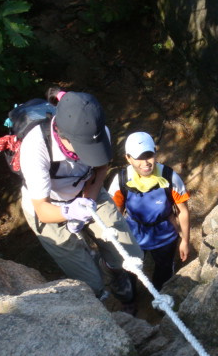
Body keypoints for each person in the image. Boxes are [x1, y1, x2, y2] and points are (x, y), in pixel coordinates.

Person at [19, 87, 143, 308]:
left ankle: (114, 271)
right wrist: (69, 212)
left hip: (86, 188)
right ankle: (99, 298)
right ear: (60, 134)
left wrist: (88, 201)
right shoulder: (35, 147)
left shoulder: (97, 130)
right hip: (48, 205)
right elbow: (42, 209)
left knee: (131, 258)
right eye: (82, 149)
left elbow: (100, 168)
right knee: (90, 284)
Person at [108, 131, 190, 294]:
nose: (145, 162)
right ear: (128, 158)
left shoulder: (169, 177)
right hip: (133, 235)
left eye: (149, 155)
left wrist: (185, 241)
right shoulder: (122, 180)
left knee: (164, 270)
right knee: (130, 269)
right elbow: (114, 213)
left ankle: (161, 298)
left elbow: (183, 212)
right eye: (138, 157)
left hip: (165, 235)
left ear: (155, 153)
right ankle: (130, 298)